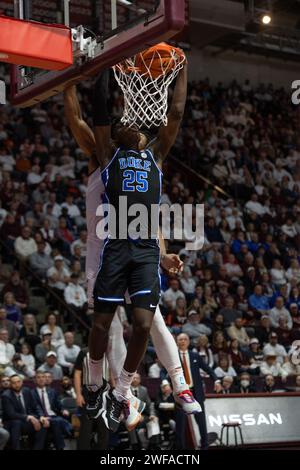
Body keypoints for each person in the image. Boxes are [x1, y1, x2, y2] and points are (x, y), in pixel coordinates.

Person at [64, 62, 201, 432]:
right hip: (111, 248)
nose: (131, 124)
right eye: (125, 123)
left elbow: (174, 112)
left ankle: (130, 390)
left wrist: (183, 68)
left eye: (136, 125)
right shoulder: (106, 153)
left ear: (145, 136)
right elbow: (98, 111)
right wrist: (106, 62)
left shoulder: (155, 156)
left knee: (146, 323)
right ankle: (98, 386)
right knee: (103, 326)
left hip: (142, 252)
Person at [176, 333, 222, 450]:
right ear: (177, 342)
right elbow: (165, 372)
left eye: (185, 339)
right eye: (180, 339)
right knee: (180, 425)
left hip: (196, 392)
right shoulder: (173, 356)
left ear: (188, 342)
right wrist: (165, 383)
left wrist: (216, 380)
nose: (183, 341)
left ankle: (205, 447)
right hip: (181, 394)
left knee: (201, 422)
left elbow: (208, 369)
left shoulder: (195, 355)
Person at [73, 348, 109, 450]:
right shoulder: (84, 352)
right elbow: (77, 373)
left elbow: (111, 373)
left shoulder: (109, 351)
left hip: (104, 392)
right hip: (88, 392)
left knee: (104, 427)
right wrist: (78, 394)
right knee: (86, 428)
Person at [1, 375, 47, 450]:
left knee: (43, 423)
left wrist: (41, 416)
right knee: (17, 423)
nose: (17, 385)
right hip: (10, 423)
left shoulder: (27, 391)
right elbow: (11, 414)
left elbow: (35, 406)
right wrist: (28, 417)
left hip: (25, 421)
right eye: (14, 383)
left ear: (22, 382)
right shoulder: (6, 395)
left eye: (18, 382)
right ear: (10, 384)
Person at [32, 371, 71, 450]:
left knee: (56, 420)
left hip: (53, 415)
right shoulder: (31, 393)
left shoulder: (52, 391)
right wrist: (42, 417)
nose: (41, 379)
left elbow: (58, 404)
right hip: (41, 417)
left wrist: (63, 410)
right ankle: (60, 447)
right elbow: (35, 407)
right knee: (56, 422)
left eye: (43, 377)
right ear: (35, 380)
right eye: (38, 377)